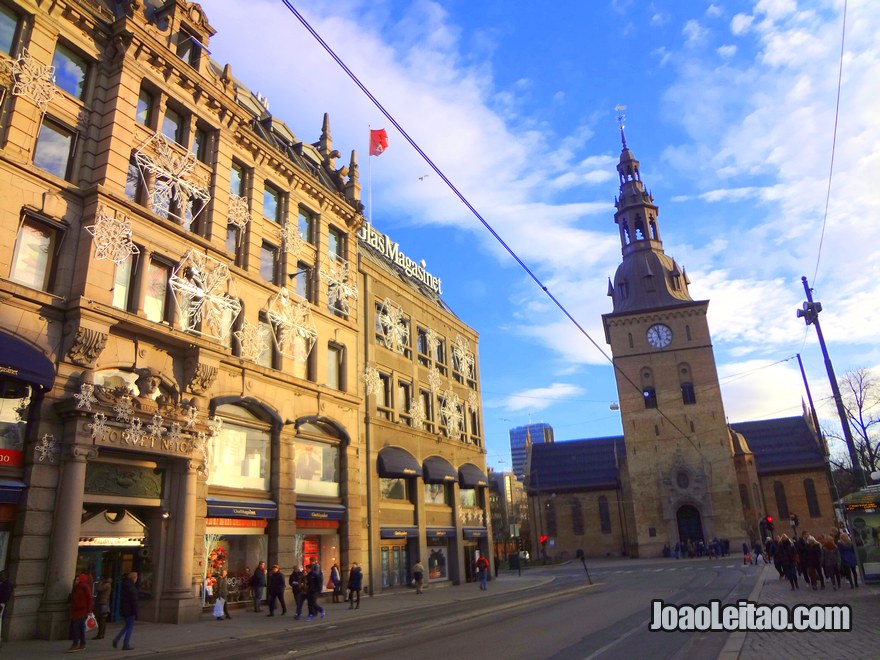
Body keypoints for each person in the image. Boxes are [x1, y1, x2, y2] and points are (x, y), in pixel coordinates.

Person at [67, 573, 93, 653]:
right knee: (80, 628)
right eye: (76, 579)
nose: (76, 581)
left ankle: (76, 644)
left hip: (82, 611)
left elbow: (89, 599)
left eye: (78, 579)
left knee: (76, 628)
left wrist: (89, 610)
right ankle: (82, 643)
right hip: (77, 610)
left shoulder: (84, 587)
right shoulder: (76, 587)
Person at [112, 572, 138, 651]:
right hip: (130, 610)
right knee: (129, 627)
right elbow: (134, 601)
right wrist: (136, 612)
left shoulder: (125, 586)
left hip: (125, 609)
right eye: (136, 577)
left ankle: (116, 639)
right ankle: (125, 644)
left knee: (127, 626)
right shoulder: (132, 588)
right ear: (134, 578)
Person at [0, 570, 13, 641]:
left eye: (1, 575)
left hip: (2, 604)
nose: (0, 576)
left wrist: (2, 603)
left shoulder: (7, 584)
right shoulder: (3, 583)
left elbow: (6, 596)